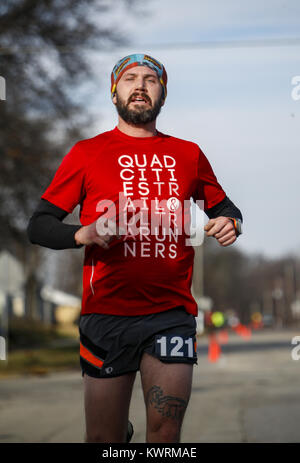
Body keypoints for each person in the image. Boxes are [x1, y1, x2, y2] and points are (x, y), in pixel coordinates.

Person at [27, 53, 243, 443]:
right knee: (103, 438)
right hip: (106, 313)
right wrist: (82, 234)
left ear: (163, 93)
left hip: (171, 312)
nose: (140, 85)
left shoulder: (188, 154)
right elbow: (38, 226)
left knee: (165, 432)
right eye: (129, 78)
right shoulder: (87, 153)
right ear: (115, 93)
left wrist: (231, 222)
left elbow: (224, 207)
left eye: (150, 79)